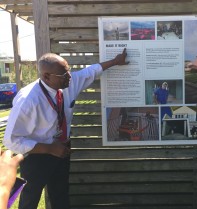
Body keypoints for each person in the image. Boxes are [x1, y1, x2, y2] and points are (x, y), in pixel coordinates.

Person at [3, 48, 128, 209]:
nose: (70, 76)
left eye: (69, 71)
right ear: (46, 76)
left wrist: (115, 61)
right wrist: (49, 149)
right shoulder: (28, 100)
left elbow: (89, 72)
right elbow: (11, 140)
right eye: (64, 74)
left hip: (61, 151)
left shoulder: (67, 83)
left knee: (60, 194)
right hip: (37, 156)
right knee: (30, 198)